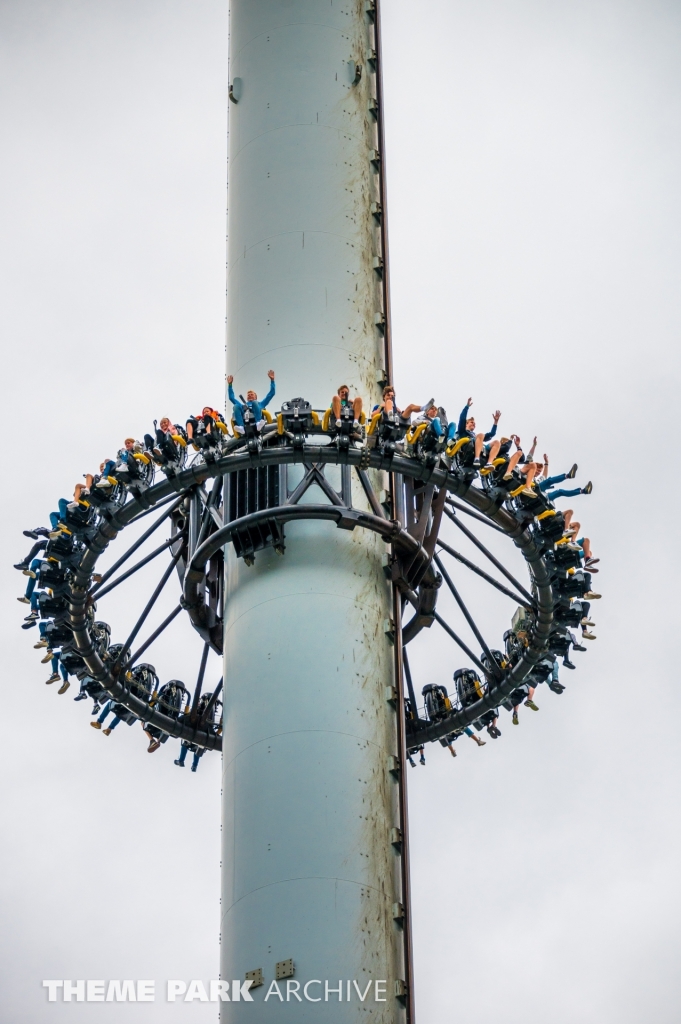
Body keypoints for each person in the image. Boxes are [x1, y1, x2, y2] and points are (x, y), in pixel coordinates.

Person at [449, 398, 501, 467]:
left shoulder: (477, 436)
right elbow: (462, 419)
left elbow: (492, 434)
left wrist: (495, 422)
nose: (474, 424)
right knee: (481, 435)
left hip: (480, 446)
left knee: (497, 442)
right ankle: (477, 458)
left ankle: (489, 463)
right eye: (471, 422)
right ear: (466, 424)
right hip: (467, 446)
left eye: (474, 423)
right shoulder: (463, 432)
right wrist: (467, 406)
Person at [227, 370, 275, 436]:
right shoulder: (243, 406)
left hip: (256, 417)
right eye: (248, 395)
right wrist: (230, 385)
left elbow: (271, 394)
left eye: (252, 394)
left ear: (256, 396)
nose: (250, 395)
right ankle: (241, 427)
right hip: (245, 418)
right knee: (235, 406)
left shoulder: (260, 404)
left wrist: (272, 380)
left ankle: (258, 423)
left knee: (255, 403)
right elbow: (231, 398)